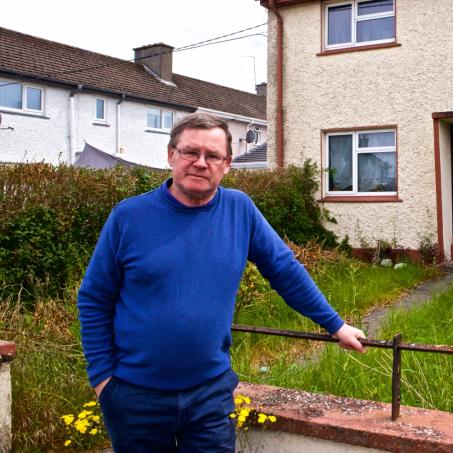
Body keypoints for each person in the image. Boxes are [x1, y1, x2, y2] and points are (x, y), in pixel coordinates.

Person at [77, 113, 365, 452]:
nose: (201, 163)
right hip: (135, 397)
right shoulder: (128, 217)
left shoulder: (239, 210)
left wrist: (335, 324)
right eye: (190, 152)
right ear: (171, 155)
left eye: (212, 156)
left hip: (209, 397)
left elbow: (284, 271)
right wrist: (103, 380)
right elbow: (94, 298)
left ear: (227, 163)